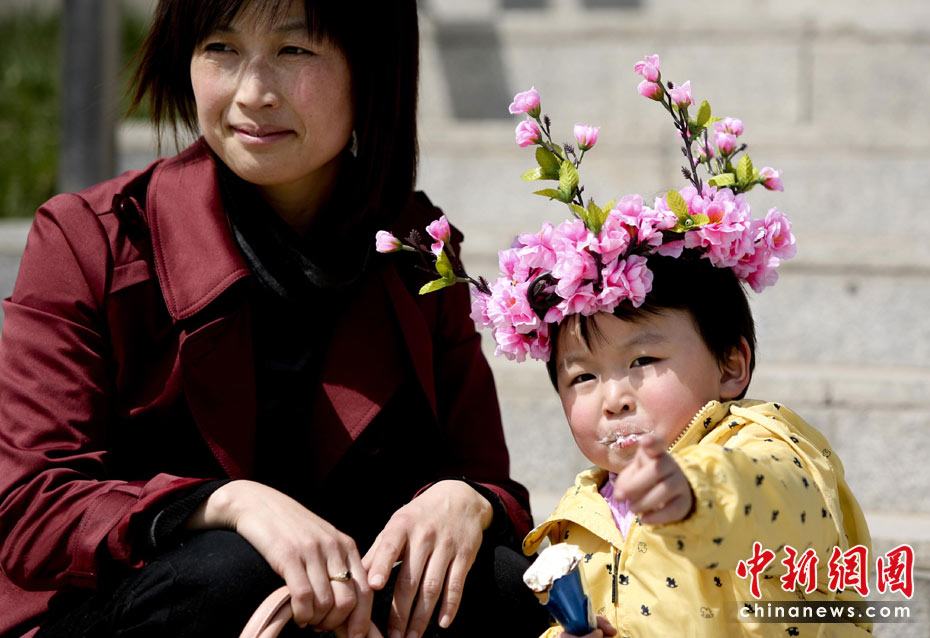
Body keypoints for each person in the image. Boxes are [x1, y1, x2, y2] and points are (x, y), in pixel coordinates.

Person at [0, 1, 550, 636]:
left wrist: (468, 501)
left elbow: (491, 481)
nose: (253, 94)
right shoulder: (87, 240)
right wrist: (220, 505)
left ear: (372, 70)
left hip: (355, 610)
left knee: (498, 584)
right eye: (221, 49)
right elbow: (29, 507)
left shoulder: (413, 248)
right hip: (152, 606)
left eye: (295, 52)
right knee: (234, 572)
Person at [399, 68, 873, 636]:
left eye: (643, 362)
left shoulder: (769, 443)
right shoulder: (580, 515)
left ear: (731, 364)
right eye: (581, 378)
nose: (614, 398)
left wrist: (694, 487)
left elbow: (770, 493)